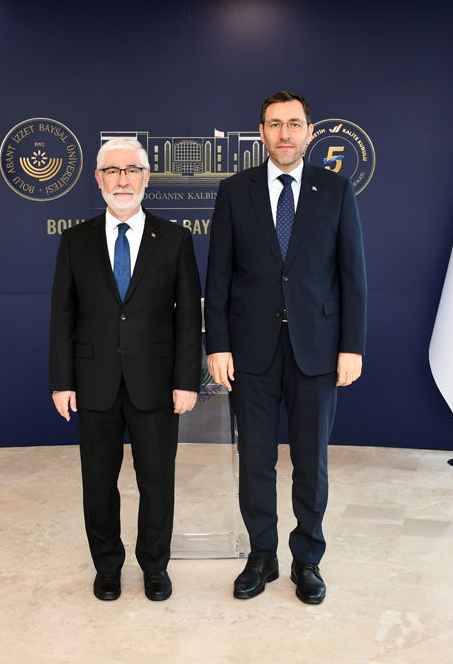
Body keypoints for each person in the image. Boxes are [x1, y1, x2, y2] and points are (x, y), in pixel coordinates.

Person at [205, 91, 367, 604]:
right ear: (261, 132)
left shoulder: (335, 189)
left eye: (294, 124)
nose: (285, 133)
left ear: (309, 132)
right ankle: (262, 555)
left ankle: (307, 559)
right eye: (275, 124)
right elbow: (218, 275)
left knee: (310, 462)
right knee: (255, 460)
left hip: (317, 349)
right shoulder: (235, 190)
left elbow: (352, 275)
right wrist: (217, 345)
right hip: (250, 350)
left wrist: (352, 346)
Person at [49, 137, 201, 602]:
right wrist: (61, 382)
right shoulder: (75, 241)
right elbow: (63, 316)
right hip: (93, 383)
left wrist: (186, 380)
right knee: (98, 484)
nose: (122, 180)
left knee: (157, 483)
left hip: (155, 384)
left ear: (146, 178)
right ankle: (107, 567)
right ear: (98, 179)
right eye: (113, 171)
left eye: (131, 170)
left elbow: (187, 318)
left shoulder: (174, 238)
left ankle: (155, 567)